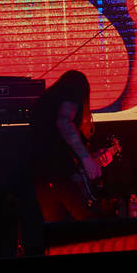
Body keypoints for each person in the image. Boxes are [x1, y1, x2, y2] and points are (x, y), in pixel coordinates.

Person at [30, 70, 102, 222]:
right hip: (58, 173)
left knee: (53, 226)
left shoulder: (46, 101)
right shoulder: (72, 92)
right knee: (87, 220)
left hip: (38, 176)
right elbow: (64, 122)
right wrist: (86, 159)